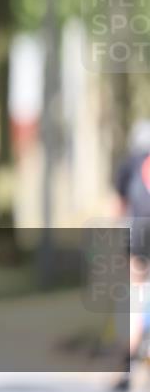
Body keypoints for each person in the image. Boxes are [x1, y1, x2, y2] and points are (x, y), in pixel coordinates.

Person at [111, 119, 150, 390]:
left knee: (135, 296)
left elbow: (118, 205)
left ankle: (128, 364)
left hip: (138, 238)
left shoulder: (130, 165)